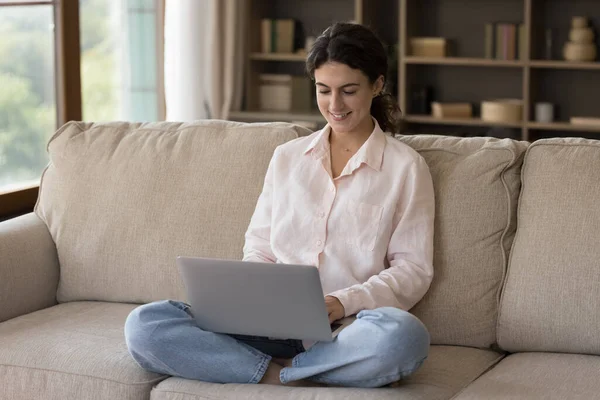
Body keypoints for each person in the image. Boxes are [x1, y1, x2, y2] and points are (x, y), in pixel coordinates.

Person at [124, 22, 435, 388]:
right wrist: (256, 298)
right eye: (324, 90)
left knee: (403, 337)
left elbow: (413, 270)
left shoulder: (405, 167)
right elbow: (259, 246)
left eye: (349, 91)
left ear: (377, 85)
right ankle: (284, 374)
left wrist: (342, 301)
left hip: (348, 328)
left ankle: (272, 369)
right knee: (145, 325)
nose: (335, 105)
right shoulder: (287, 158)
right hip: (265, 325)